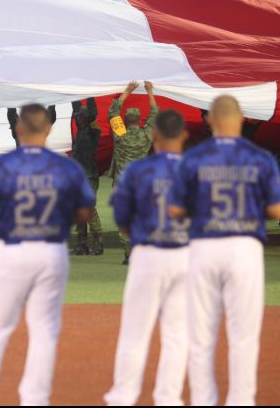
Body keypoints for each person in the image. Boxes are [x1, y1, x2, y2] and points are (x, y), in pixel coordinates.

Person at [0, 103, 95, 406]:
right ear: (49, 128)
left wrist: (9, 218)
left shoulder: (3, 165)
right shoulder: (65, 166)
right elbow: (85, 211)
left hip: (13, 250)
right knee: (44, 330)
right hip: (51, 251)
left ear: (19, 128)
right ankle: (36, 399)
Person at [169, 95, 280, 406]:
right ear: (242, 117)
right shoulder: (260, 158)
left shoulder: (193, 158)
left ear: (210, 120)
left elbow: (175, 209)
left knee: (201, 333)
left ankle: (203, 399)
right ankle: (241, 400)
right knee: (244, 333)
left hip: (204, 246)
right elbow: (278, 210)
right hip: (244, 248)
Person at [104, 110, 191, 406]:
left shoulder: (136, 170)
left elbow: (122, 218)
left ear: (155, 135)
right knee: (177, 332)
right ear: (184, 135)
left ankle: (124, 395)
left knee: (135, 330)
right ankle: (169, 397)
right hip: (183, 254)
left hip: (148, 253)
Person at [108, 81, 158, 265]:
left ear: (126, 120)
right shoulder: (147, 135)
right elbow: (155, 114)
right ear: (139, 119)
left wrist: (127, 91)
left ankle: (129, 254)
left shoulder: (120, 134)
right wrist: (150, 91)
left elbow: (112, 113)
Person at [71, 98, 103, 255]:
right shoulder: (80, 132)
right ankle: (81, 244)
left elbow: (93, 112)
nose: (78, 120)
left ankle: (98, 242)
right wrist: (74, 93)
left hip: (89, 176)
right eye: (77, 118)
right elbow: (76, 106)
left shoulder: (92, 131)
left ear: (87, 118)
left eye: (81, 118)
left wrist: (89, 95)